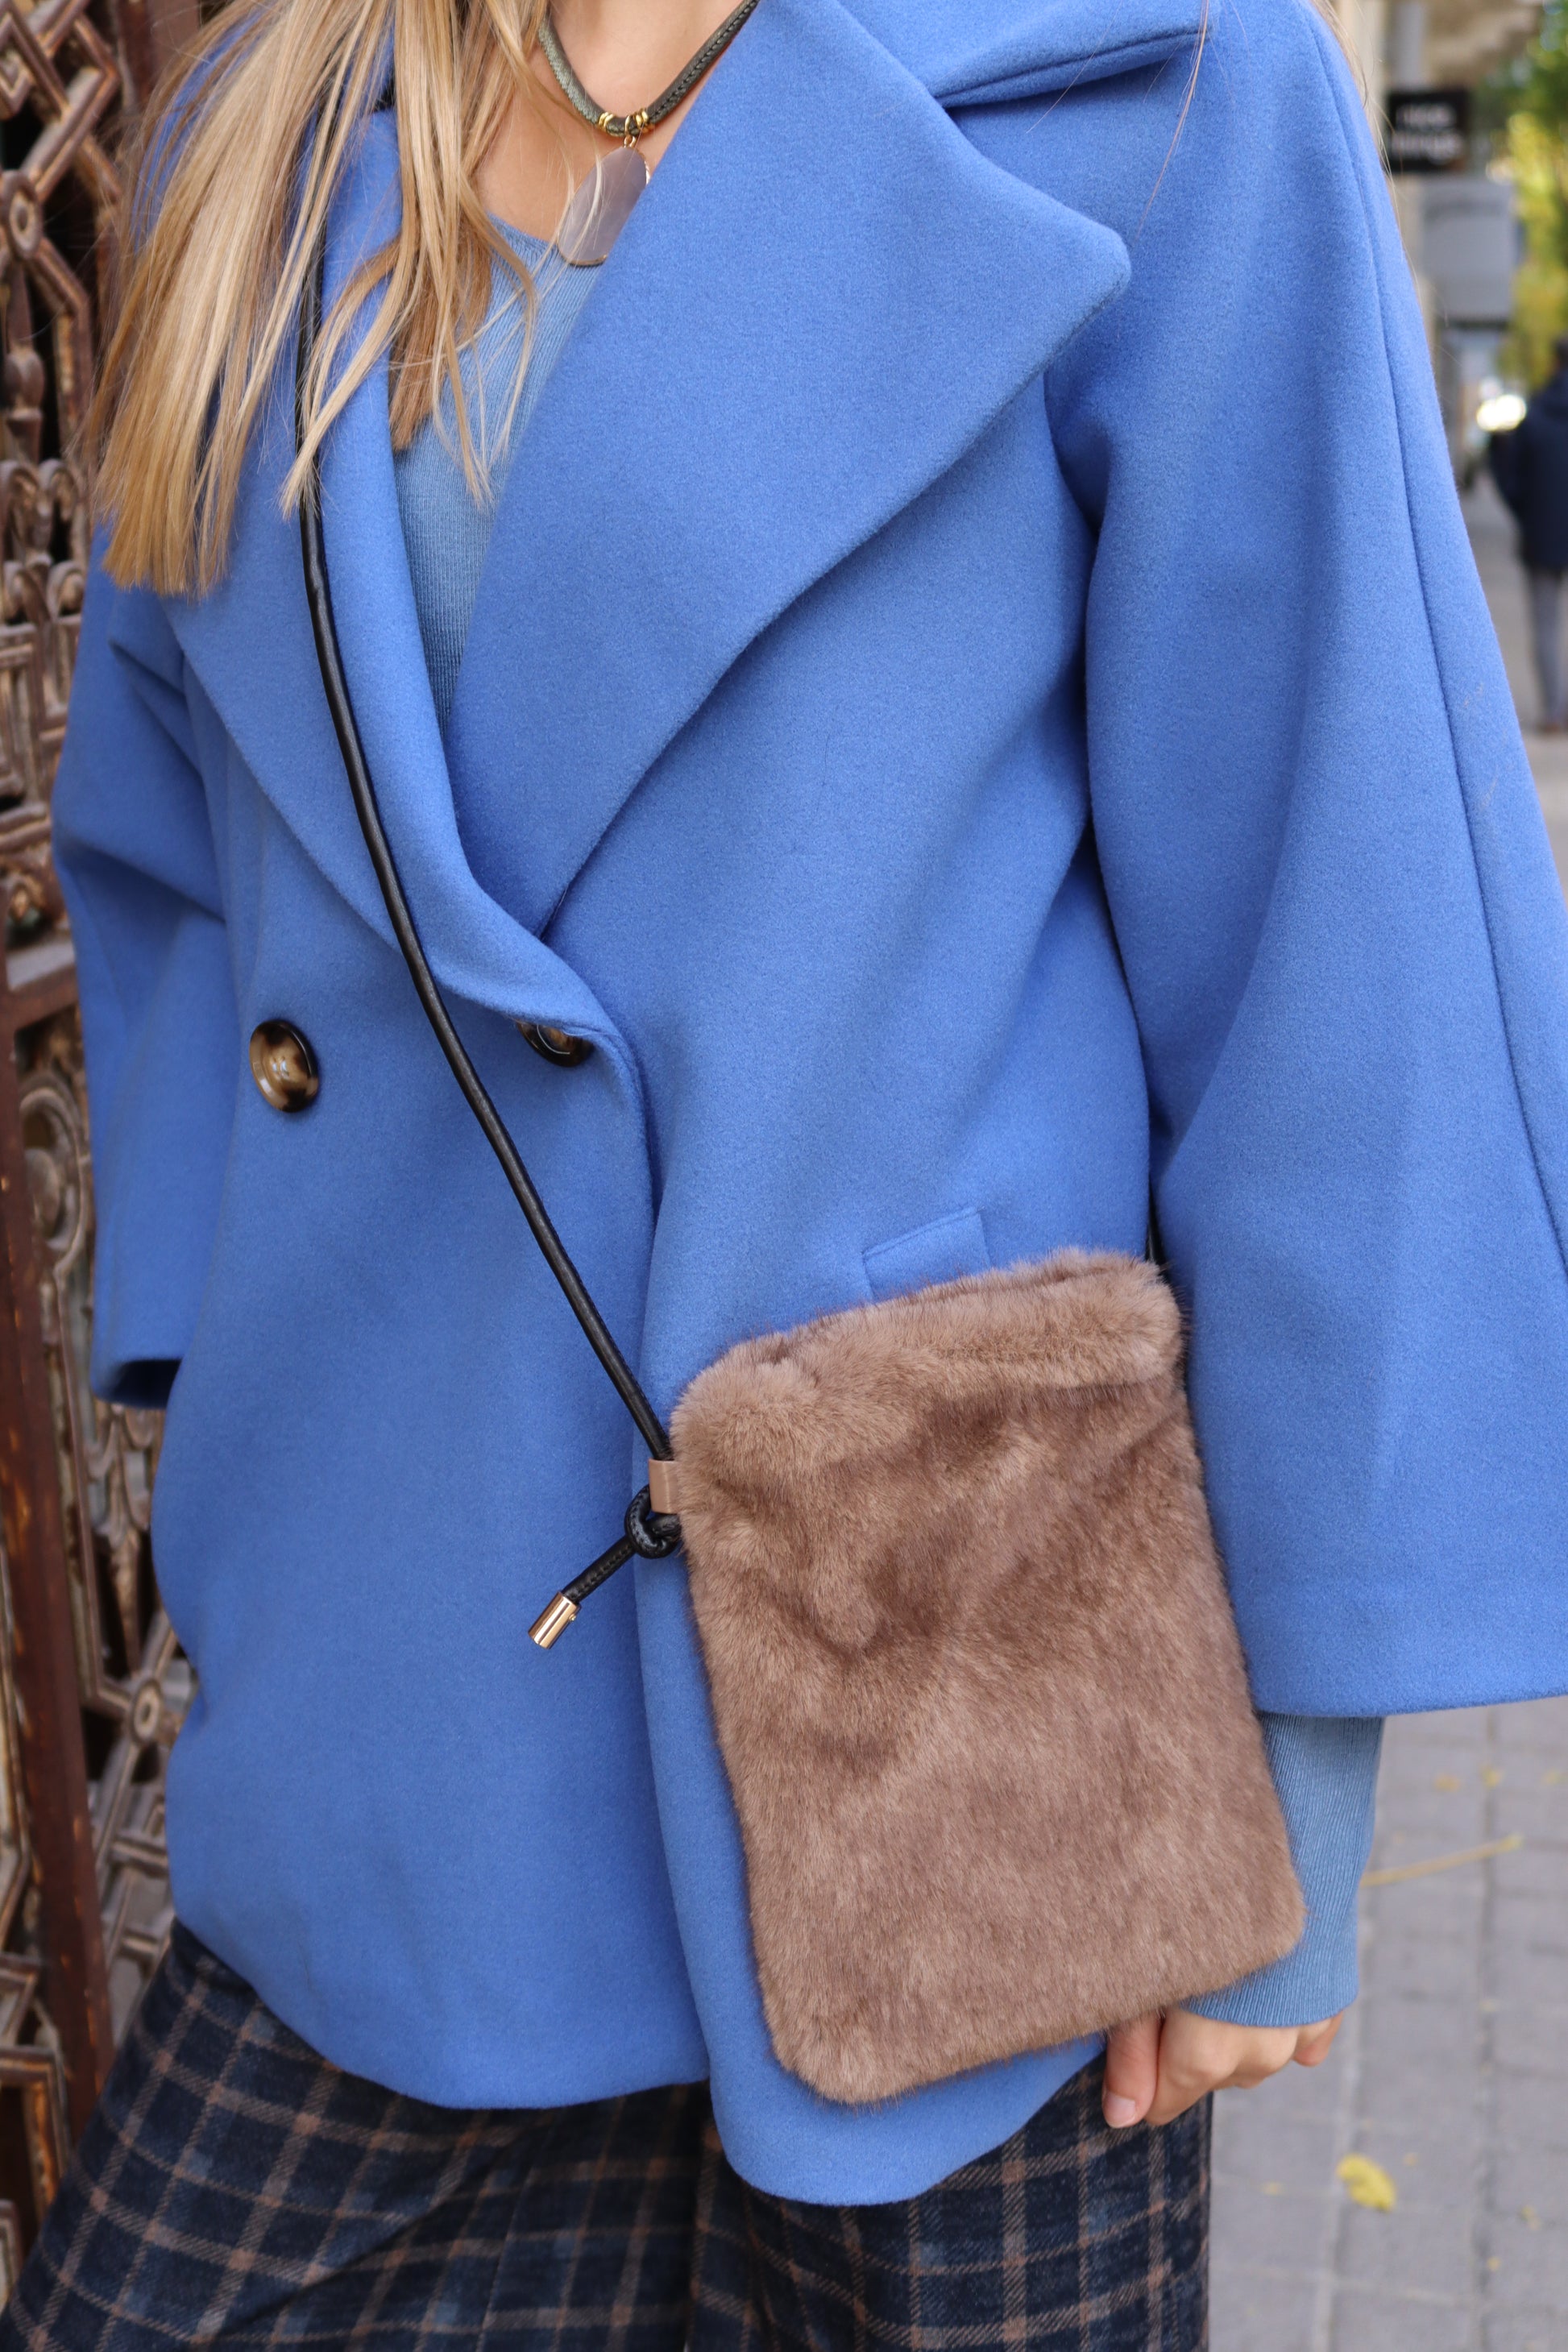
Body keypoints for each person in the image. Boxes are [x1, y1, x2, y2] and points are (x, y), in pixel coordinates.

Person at [5, 0, 1568, 2342]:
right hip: (405, 1696)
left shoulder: (1150, 81)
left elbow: (1338, 950)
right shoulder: (270, 121)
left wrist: (1294, 1811)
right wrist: (245, 1395)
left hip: (973, 1706)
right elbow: (163, 845)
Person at [1490, 333, 1568, 730]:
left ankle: (1555, 710)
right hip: (1543, 533)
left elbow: (1510, 479)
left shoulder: (1535, 416)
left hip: (1543, 538)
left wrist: (1527, 515)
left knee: (1546, 624)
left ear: (1555, 363)